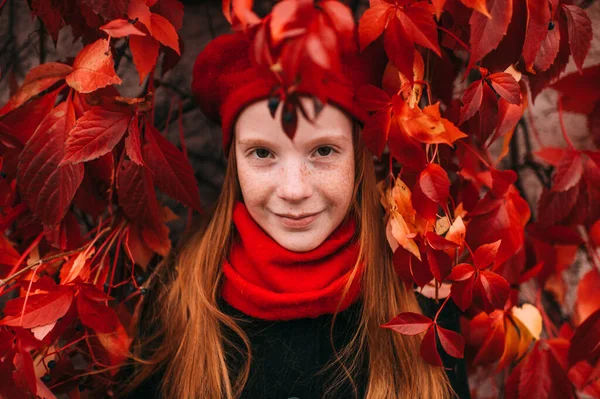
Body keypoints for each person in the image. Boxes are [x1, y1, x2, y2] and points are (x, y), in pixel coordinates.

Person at [118, 13, 471, 399]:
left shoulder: (413, 288)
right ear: (233, 162)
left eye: (323, 150)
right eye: (263, 153)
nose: (294, 189)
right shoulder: (183, 294)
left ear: (359, 157)